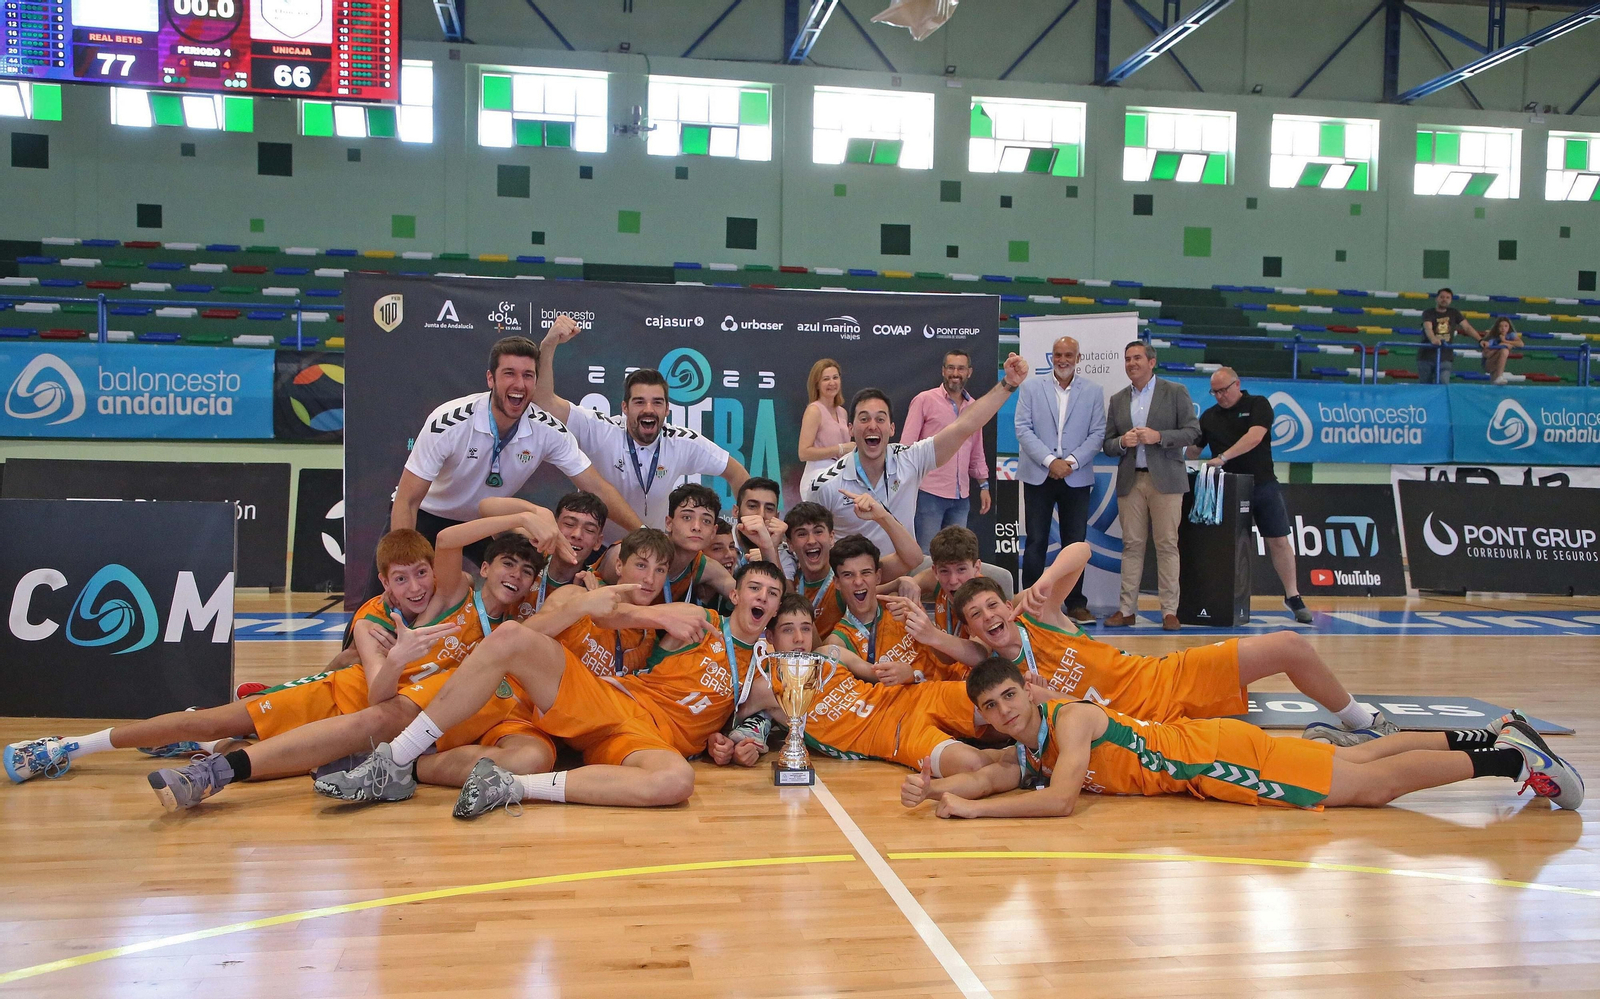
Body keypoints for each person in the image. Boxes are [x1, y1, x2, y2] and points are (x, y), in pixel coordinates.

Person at [317, 561, 787, 813]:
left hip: (641, 742)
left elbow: (793, 718)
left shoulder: (766, 672)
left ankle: (515, 788)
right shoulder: (703, 620)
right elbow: (617, 614)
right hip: (612, 699)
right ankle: (393, 760)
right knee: (511, 637)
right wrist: (653, 614)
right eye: (755, 589)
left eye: (772, 594)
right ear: (736, 594)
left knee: (677, 782)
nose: (761, 598)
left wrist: (753, 741)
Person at [899, 658, 1583, 817]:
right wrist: (938, 786)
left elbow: (1058, 803)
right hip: (1215, 747)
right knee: (1370, 752)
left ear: (1026, 689)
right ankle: (1491, 728)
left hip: (1223, 759)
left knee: (1373, 788)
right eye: (992, 706)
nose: (1005, 709)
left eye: (1010, 695)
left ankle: (1512, 758)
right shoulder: (1026, 737)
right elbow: (993, 770)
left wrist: (972, 810)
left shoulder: (1070, 722)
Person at [949, 542, 1401, 746]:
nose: (989, 617)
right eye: (976, 615)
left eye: (993, 606)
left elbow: (1082, 549)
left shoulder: (1041, 618)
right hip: (1140, 735)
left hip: (1165, 680)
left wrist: (1044, 582)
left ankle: (1364, 723)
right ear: (970, 631)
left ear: (1007, 607)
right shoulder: (997, 684)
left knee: (1289, 645)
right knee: (1258, 752)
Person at [389, 333, 638, 566]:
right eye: (509, 373)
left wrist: (643, 533)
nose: (519, 384)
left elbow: (596, 487)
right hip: (427, 514)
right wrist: (402, 565)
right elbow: (407, 500)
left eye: (528, 375)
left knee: (517, 582)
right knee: (391, 596)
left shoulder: (549, 429)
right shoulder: (449, 422)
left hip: (485, 523)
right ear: (490, 378)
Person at [708, 594, 994, 777]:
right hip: (893, 736)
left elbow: (877, 673)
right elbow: (722, 721)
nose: (798, 638)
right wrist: (723, 745)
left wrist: (911, 674)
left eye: (805, 628)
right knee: (974, 765)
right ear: (770, 635)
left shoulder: (829, 653)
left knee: (1007, 704)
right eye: (788, 629)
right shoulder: (765, 685)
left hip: (914, 696)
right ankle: (1021, 762)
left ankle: (1028, 758)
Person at [535, 319, 749, 540]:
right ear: (625, 407)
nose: (649, 410)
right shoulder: (600, 428)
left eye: (657, 402)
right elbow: (544, 402)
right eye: (639, 402)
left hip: (651, 554)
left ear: (667, 409)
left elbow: (736, 473)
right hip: (596, 549)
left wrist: (748, 528)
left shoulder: (681, 442)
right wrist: (548, 345)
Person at [809, 353, 1028, 554]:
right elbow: (810, 542)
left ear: (892, 428)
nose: (872, 426)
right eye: (864, 419)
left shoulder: (909, 459)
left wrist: (1008, 384)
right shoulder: (825, 485)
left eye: (880, 419)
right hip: (850, 582)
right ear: (850, 429)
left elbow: (965, 425)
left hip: (901, 577)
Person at [1188, 367, 1312, 624]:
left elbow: (1254, 437)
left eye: (1224, 390)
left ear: (1237, 384)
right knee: (1224, 547)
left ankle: (1293, 595)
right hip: (1226, 489)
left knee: (1279, 540)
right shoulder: (1209, 416)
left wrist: (1222, 458)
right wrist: (1173, 434)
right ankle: (1218, 597)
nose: (1220, 396)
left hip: (1262, 484)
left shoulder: (1258, 404)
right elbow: (1193, 450)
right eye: (1215, 392)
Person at [1101, 340, 1199, 631]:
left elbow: (1193, 432)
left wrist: (1159, 437)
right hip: (1131, 480)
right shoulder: (1118, 399)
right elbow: (1107, 443)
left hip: (1167, 479)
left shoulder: (1175, 391)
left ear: (1151, 362)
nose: (1132, 363)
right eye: (1127, 359)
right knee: (1132, 545)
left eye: (1137, 358)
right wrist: (1122, 442)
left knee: (1167, 545)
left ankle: (1169, 611)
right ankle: (1126, 609)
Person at [1013, 335, 1104, 623]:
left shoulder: (1093, 391)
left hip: (1076, 478)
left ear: (1078, 358)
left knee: (1075, 543)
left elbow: (1097, 434)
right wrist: (1051, 461)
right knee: (1036, 541)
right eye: (1057, 354)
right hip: (1039, 474)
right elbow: (1023, 428)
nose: (1062, 359)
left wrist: (1071, 463)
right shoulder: (1030, 388)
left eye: (1068, 354)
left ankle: (1075, 603)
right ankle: (1029, 602)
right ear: (1051, 357)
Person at [826, 534, 949, 685]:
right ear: (837, 583)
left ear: (877, 577)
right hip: (909, 705)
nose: (858, 581)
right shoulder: (839, 642)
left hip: (947, 687)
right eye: (848, 575)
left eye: (866, 572)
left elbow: (947, 659)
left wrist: (925, 627)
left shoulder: (902, 605)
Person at [901, 349, 992, 549]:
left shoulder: (975, 407)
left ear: (969, 372)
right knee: (926, 557)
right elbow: (906, 449)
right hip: (928, 494)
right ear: (943, 371)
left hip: (961, 498)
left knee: (957, 556)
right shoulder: (924, 400)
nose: (955, 373)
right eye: (951, 368)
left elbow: (976, 451)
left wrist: (984, 485)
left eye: (961, 368)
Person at [599, 483, 735, 606]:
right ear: (669, 523)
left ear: (713, 531)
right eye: (687, 517)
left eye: (706, 521)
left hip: (648, 631)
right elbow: (590, 593)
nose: (696, 527)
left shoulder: (705, 567)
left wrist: (757, 542)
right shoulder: (631, 551)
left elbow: (744, 596)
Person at [480, 491, 608, 613]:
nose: (577, 534)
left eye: (589, 530)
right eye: (569, 524)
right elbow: (486, 507)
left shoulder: (594, 587)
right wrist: (536, 510)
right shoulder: (532, 548)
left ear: (597, 542)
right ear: (554, 525)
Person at [797, 358, 854, 489]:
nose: (832, 383)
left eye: (835, 377)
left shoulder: (842, 412)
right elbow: (803, 453)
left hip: (840, 476)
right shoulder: (814, 410)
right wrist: (840, 449)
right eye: (826, 379)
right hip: (818, 477)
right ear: (817, 384)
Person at [1418, 287, 1481, 384]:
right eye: (1442, 297)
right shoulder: (1428, 312)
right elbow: (1428, 328)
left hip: (1445, 356)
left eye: (1447, 298)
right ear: (1437, 298)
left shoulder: (1454, 313)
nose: (1444, 299)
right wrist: (1433, 339)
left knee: (1444, 381)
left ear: (1450, 300)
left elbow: (1467, 327)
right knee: (1425, 385)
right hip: (1427, 356)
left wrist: (1480, 340)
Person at [1481, 316, 1523, 385]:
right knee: (1504, 350)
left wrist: (1505, 341)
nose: (1503, 328)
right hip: (1489, 363)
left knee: (1504, 351)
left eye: (1506, 326)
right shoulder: (1492, 337)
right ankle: (1499, 376)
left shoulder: (1510, 335)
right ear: (1497, 328)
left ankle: (1498, 378)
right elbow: (1487, 354)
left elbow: (1521, 344)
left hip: (1498, 362)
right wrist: (1501, 346)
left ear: (1509, 327)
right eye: (1501, 326)